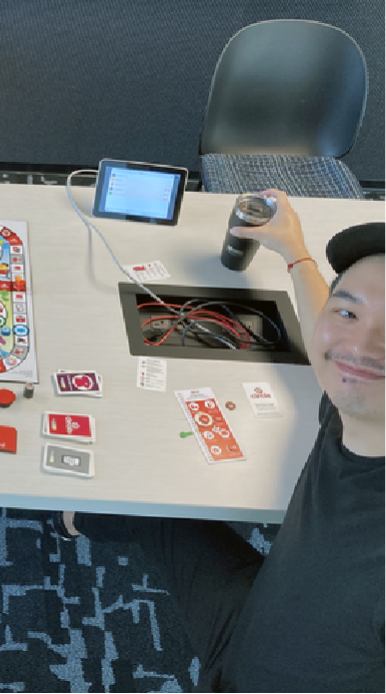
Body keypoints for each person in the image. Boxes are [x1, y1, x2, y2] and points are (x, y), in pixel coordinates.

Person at [53, 189, 386, 691]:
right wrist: (294, 252)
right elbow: (329, 330)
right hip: (255, 612)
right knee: (153, 503)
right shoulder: (351, 398)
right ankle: (83, 517)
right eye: (350, 313)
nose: (360, 347)